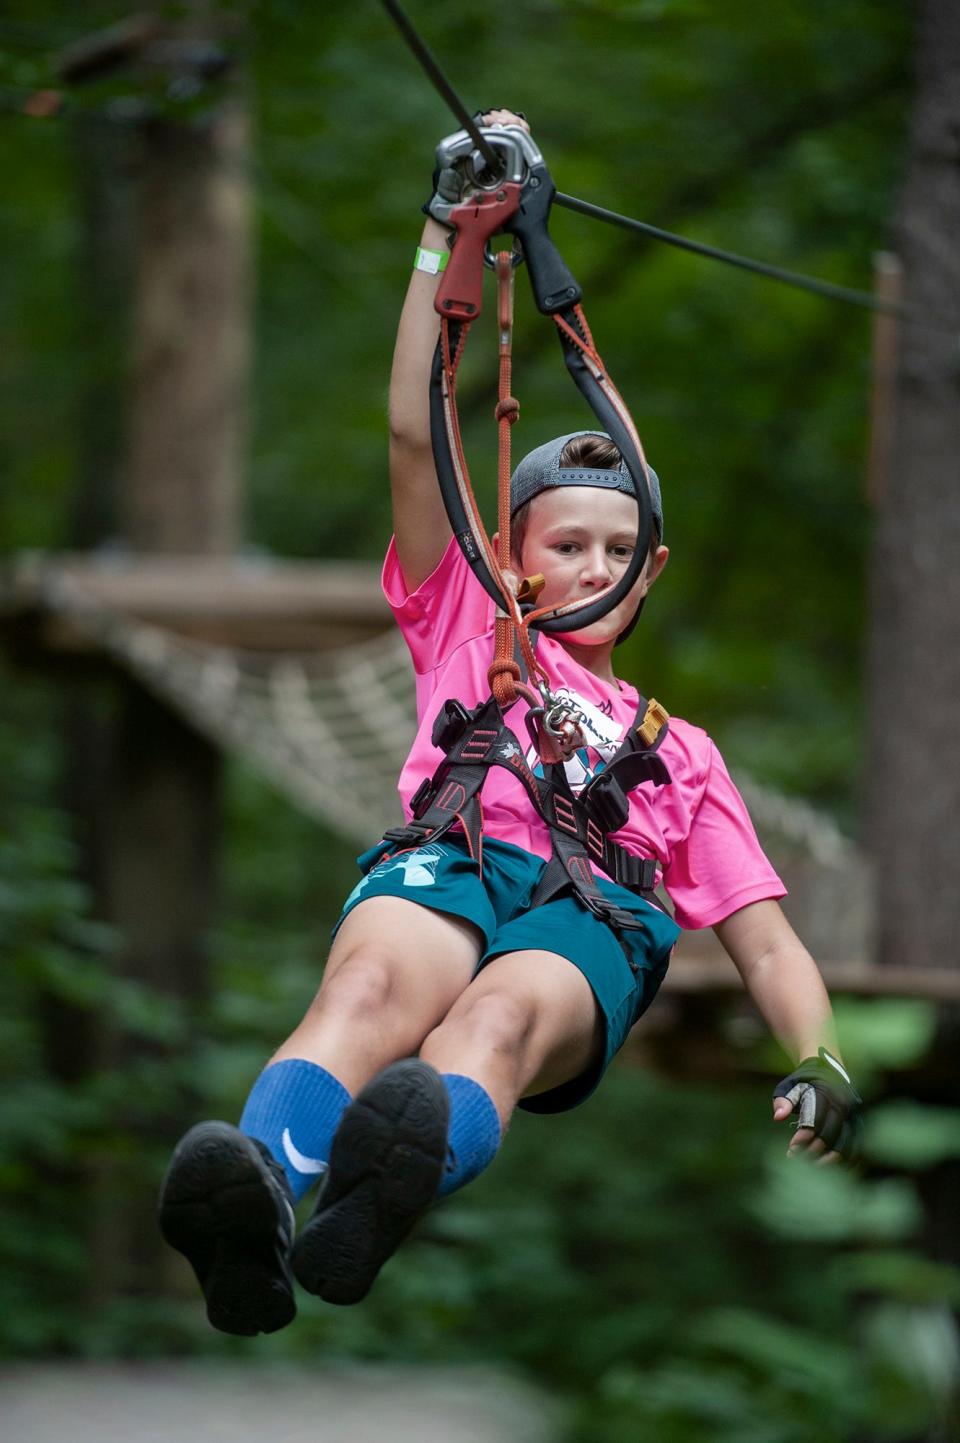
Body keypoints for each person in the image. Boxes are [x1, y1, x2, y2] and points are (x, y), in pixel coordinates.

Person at [158, 110, 861, 1337]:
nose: (597, 562)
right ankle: (264, 1199)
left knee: (500, 1018)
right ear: (514, 558)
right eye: (568, 541)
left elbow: (768, 946)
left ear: (648, 576)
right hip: (460, 859)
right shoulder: (463, 621)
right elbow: (411, 433)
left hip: (595, 913)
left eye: (621, 548)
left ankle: (395, 1178)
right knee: (373, 981)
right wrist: (450, 244)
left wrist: (819, 1055)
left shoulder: (681, 752)